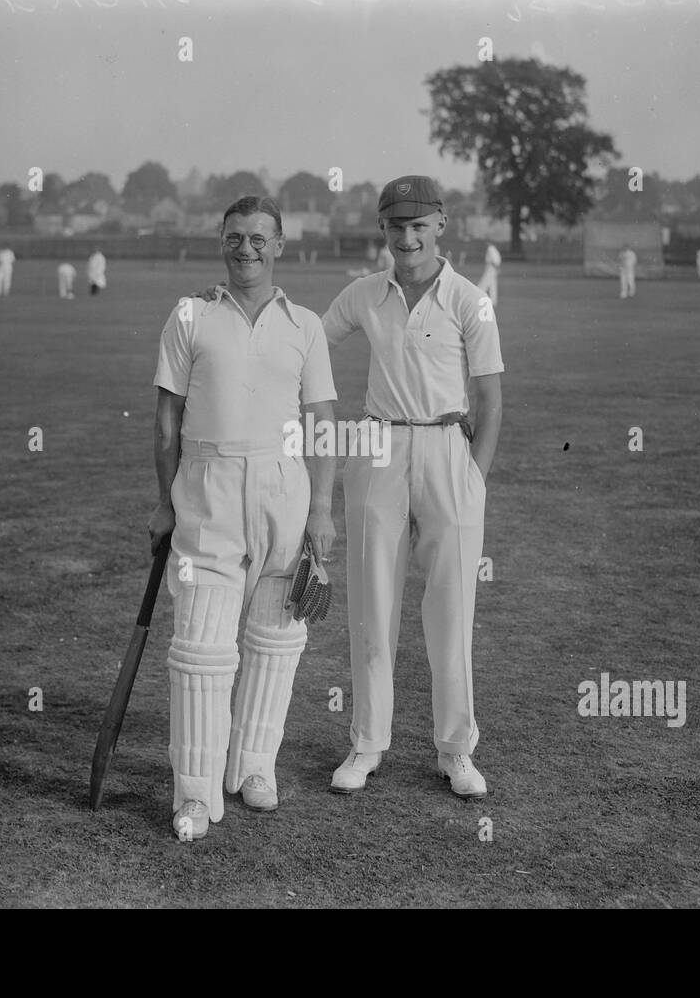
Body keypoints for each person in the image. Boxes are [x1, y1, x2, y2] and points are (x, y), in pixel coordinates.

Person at [147, 196, 337, 841]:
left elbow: (322, 424)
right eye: (235, 237)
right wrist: (163, 500)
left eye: (259, 238)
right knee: (201, 647)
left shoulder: (305, 324)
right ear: (221, 242)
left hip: (285, 487)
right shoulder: (191, 314)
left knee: (276, 640)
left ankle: (255, 767)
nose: (246, 248)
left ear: (280, 244)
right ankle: (195, 795)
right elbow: (167, 417)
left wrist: (324, 511)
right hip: (206, 488)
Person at [322, 175, 503, 800]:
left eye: (418, 225)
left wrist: (473, 473)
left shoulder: (470, 300)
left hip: (447, 449)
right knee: (372, 602)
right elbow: (307, 342)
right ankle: (367, 745)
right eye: (396, 226)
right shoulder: (364, 294)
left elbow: (491, 398)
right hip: (378, 445)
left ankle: (456, 751)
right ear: (383, 230)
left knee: (452, 610)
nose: (407, 237)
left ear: (441, 225)